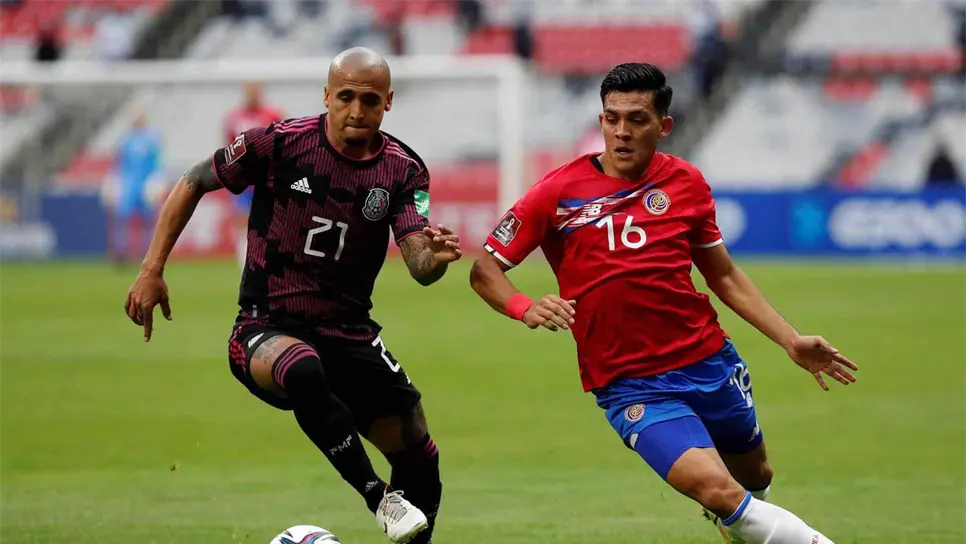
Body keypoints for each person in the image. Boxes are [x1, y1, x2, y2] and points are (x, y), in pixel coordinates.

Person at [469, 63, 858, 544]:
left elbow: (724, 275)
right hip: (630, 384)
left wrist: (790, 340)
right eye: (611, 119)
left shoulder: (687, 184)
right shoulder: (557, 192)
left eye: (636, 119)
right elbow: (484, 270)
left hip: (708, 361)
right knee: (718, 491)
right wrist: (523, 306)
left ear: (663, 125)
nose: (622, 132)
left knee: (753, 478)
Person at [124, 47, 461, 544]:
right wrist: (152, 269)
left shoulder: (403, 169)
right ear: (326, 95)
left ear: (388, 103)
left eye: (369, 100)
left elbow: (418, 262)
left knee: (419, 455)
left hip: (349, 333)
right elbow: (194, 179)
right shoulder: (278, 145)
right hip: (266, 326)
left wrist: (433, 258)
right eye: (345, 96)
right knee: (303, 368)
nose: (355, 110)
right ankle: (377, 497)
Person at [223, 82, 284, 267]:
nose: (252, 95)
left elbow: (282, 143)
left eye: (255, 91)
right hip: (244, 180)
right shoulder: (234, 118)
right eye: (249, 91)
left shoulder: (272, 115)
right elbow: (228, 149)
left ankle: (270, 262)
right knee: (243, 223)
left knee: (271, 221)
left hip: (267, 178)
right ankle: (245, 264)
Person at [109, 112, 162, 264]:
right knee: (123, 217)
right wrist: (115, 182)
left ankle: (148, 253)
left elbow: (157, 163)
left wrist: (156, 180)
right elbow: (119, 164)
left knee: (148, 219)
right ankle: (121, 252)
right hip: (128, 183)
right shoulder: (125, 141)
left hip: (145, 183)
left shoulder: (152, 140)